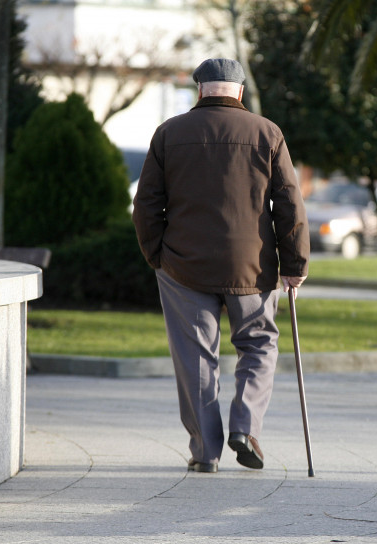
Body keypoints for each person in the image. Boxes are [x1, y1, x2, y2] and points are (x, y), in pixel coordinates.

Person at [132, 58, 310, 474]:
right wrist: (295, 264)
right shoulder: (268, 133)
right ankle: (245, 429)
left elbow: (145, 205)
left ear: (199, 90)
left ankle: (205, 452)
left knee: (195, 357)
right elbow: (289, 203)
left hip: (183, 265)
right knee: (259, 345)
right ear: (240, 92)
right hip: (253, 266)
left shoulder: (168, 133)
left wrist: (156, 255)